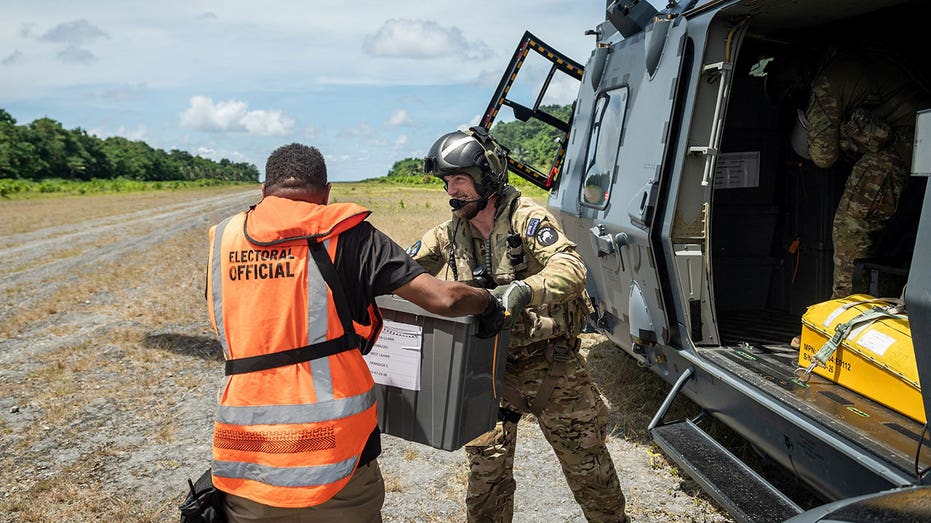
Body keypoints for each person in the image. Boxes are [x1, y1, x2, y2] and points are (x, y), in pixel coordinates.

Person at [205, 143, 505, 522]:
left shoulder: (223, 241)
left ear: (264, 191)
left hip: (245, 457)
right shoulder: (348, 234)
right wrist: (488, 302)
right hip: (334, 458)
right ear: (327, 193)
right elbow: (442, 299)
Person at [408, 127, 628, 522]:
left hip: (552, 366)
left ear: (487, 176)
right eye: (447, 181)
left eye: (459, 179)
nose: (451, 191)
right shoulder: (450, 231)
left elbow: (571, 268)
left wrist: (524, 291)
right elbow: (403, 271)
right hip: (487, 368)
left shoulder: (526, 216)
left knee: (591, 476)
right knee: (485, 480)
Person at [793, 46, 930, 298]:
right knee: (894, 237)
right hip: (918, 143)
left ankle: (845, 311)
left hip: (903, 145)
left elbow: (823, 156)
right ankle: (882, 300)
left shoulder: (828, 80)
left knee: (851, 226)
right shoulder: (862, 59)